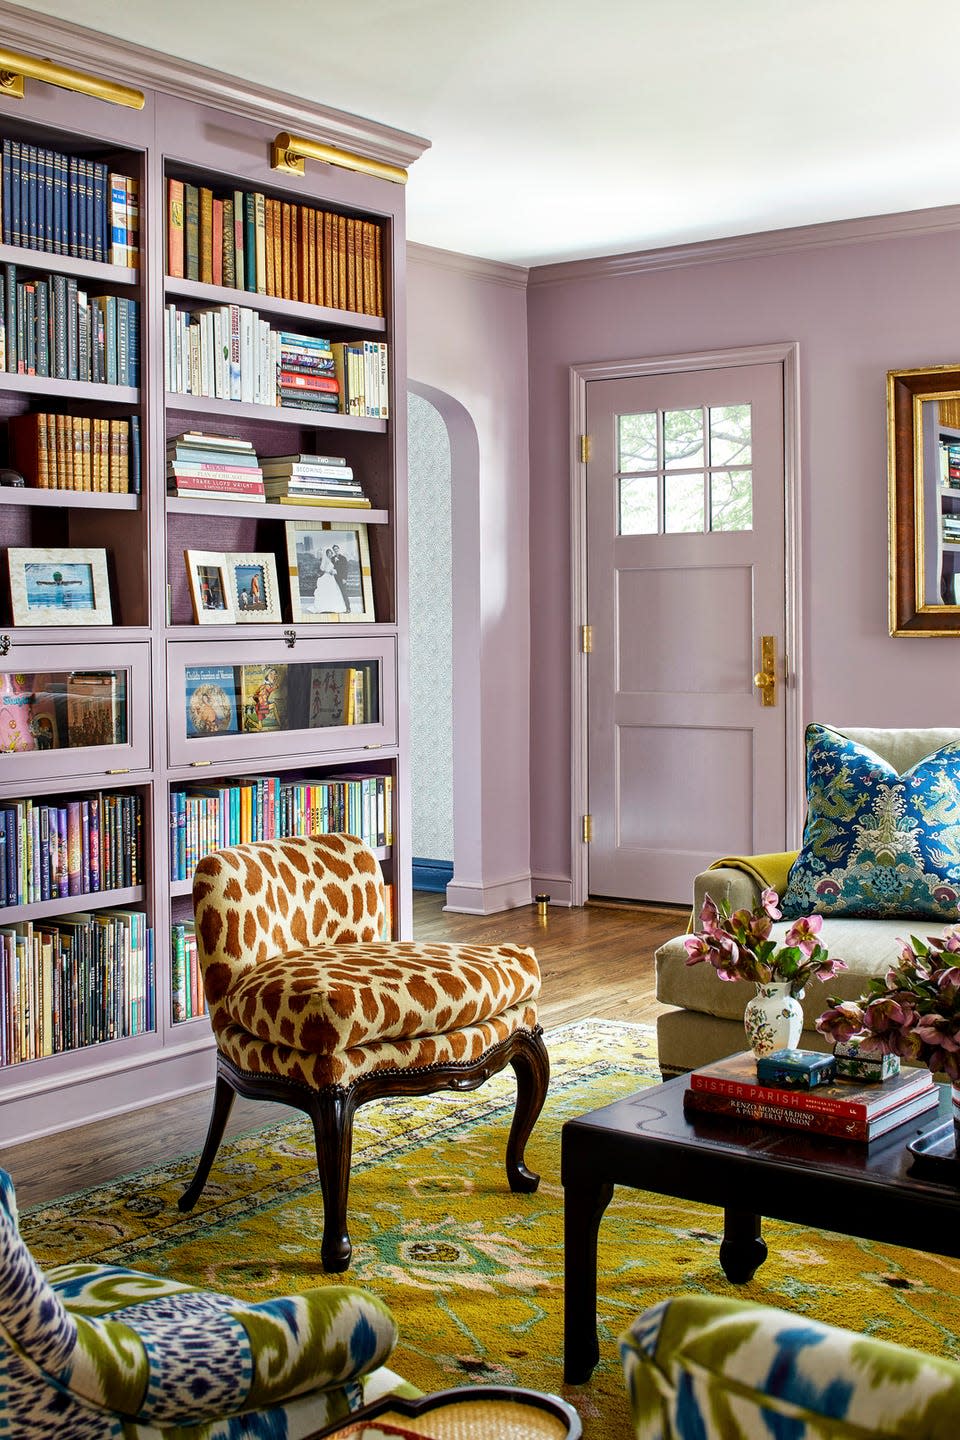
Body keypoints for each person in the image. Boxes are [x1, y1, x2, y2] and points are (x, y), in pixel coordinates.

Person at [312, 549, 348, 613]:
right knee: (326, 591)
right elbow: (322, 568)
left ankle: (332, 606)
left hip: (332, 578)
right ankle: (325, 607)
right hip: (327, 576)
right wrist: (329, 571)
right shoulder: (325, 560)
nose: (330, 554)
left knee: (333, 591)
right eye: (328, 553)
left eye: (331, 553)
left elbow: (336, 567)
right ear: (326, 554)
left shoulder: (333, 559)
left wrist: (334, 571)